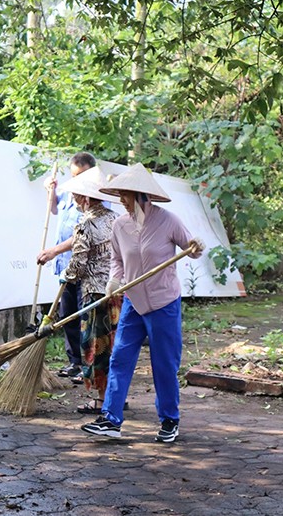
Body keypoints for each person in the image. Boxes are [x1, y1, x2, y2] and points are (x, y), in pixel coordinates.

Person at [81, 163, 204, 443]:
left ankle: (169, 419)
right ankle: (111, 419)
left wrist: (196, 246)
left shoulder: (167, 220)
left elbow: (190, 248)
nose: (121, 200)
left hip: (164, 303)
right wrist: (114, 281)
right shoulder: (120, 225)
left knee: (164, 363)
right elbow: (117, 261)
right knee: (120, 358)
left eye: (124, 194)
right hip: (133, 302)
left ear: (139, 194)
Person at [56, 166, 121, 414]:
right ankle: (115, 395)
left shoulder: (86, 224)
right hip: (116, 291)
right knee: (113, 344)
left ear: (85, 198)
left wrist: (67, 277)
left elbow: (79, 262)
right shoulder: (114, 219)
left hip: (94, 293)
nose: (74, 200)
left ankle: (101, 399)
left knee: (95, 346)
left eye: (75, 196)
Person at [37, 152, 97, 379]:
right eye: (73, 175)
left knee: (85, 316)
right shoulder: (68, 193)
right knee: (66, 313)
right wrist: (50, 191)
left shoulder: (96, 198)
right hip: (65, 266)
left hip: (86, 267)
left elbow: (83, 235)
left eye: (80, 175)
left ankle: (88, 364)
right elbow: (53, 209)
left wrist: (53, 251)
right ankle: (74, 361)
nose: (76, 180)